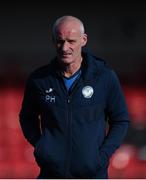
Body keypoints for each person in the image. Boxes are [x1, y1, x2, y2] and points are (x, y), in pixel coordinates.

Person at [19, 15, 129, 179]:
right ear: (53, 40)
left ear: (83, 40)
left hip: (93, 175)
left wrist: (102, 156)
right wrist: (42, 147)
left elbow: (121, 120)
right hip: (51, 174)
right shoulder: (39, 80)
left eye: (71, 41)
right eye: (60, 41)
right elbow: (27, 117)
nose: (64, 48)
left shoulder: (104, 77)